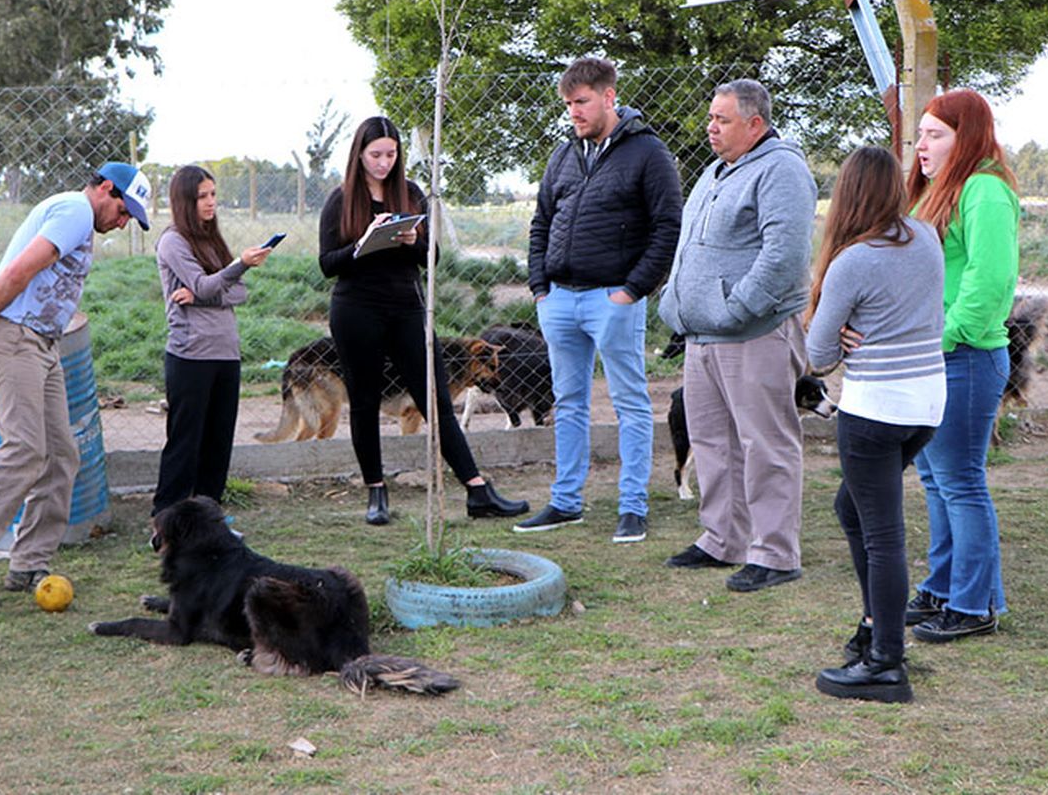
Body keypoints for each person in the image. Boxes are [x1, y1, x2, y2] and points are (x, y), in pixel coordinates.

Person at [0, 162, 152, 606]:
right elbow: (20, 271)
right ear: (105, 188)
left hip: (42, 343)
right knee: (25, 447)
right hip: (13, 336)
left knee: (60, 453)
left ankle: (29, 561)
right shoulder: (74, 210)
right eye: (123, 208)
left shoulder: (81, 221)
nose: (123, 220)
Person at [318, 115, 529, 525]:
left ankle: (477, 491)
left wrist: (416, 241)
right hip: (356, 310)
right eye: (375, 155)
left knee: (436, 401)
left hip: (407, 309)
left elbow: (430, 258)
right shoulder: (341, 199)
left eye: (391, 155)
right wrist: (361, 245)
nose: (383, 163)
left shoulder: (410, 193)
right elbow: (327, 264)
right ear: (359, 155)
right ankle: (376, 493)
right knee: (363, 402)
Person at [515, 56, 683, 540]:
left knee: (629, 401)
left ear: (610, 97)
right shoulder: (564, 155)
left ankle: (633, 506)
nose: (574, 113)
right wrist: (539, 288)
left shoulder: (648, 153)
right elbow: (542, 221)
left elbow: (667, 226)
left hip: (613, 300)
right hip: (559, 301)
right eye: (568, 104)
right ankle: (566, 502)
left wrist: (631, 291)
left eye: (582, 102)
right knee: (568, 402)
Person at [658, 79, 817, 591]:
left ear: (755, 123)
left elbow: (785, 254)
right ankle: (723, 538)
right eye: (711, 118)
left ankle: (775, 552)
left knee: (765, 443)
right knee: (711, 441)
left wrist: (738, 306)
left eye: (722, 120)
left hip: (755, 333)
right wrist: (674, 303)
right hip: (702, 336)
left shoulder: (782, 170)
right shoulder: (714, 171)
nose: (711, 127)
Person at [803, 146, 945, 703]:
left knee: (883, 533)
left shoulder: (852, 260)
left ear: (847, 196)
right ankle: (872, 627)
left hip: (874, 409)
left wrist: (834, 333)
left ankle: (887, 662)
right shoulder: (926, 237)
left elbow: (816, 356)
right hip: (927, 405)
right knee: (850, 508)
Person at [902, 89, 1019, 643]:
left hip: (965, 357)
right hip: (935, 355)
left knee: (961, 482)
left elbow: (989, 284)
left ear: (965, 136)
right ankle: (944, 587)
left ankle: (974, 606)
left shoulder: (985, 190)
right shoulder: (943, 190)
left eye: (935, 134)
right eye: (921, 134)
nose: (921, 145)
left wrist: (941, 339)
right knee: (936, 480)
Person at [152, 165, 272, 514]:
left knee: (218, 445)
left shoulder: (211, 238)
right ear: (184, 201)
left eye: (213, 195)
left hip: (225, 353)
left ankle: (209, 519)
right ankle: (164, 522)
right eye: (202, 197)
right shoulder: (173, 241)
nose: (210, 203)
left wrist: (206, 291)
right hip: (191, 356)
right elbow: (212, 284)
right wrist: (240, 265)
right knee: (185, 444)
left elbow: (239, 294)